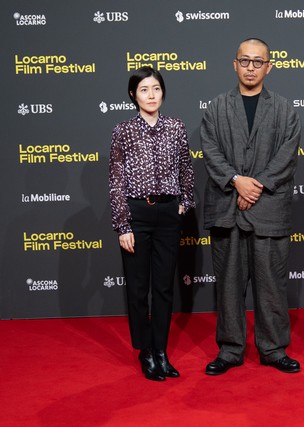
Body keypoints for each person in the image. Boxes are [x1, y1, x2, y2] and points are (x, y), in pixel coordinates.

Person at [200, 38, 301, 375]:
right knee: (228, 286)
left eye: (258, 62)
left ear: (268, 67)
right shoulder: (216, 107)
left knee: (272, 285)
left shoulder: (285, 109)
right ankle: (230, 350)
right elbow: (210, 150)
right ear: (235, 64)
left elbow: (287, 155)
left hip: (268, 210)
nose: (251, 67)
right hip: (226, 210)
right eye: (245, 61)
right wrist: (235, 181)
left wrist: (254, 186)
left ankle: (273, 349)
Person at [109, 66, 195, 381]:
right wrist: (123, 225)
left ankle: (160, 350)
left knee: (163, 287)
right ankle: (145, 351)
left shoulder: (176, 126)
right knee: (138, 289)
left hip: (168, 213)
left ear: (163, 92)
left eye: (156, 89)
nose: (151, 95)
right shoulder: (123, 130)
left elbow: (186, 166)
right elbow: (116, 179)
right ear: (133, 95)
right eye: (144, 90)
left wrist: (186, 201)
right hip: (137, 214)